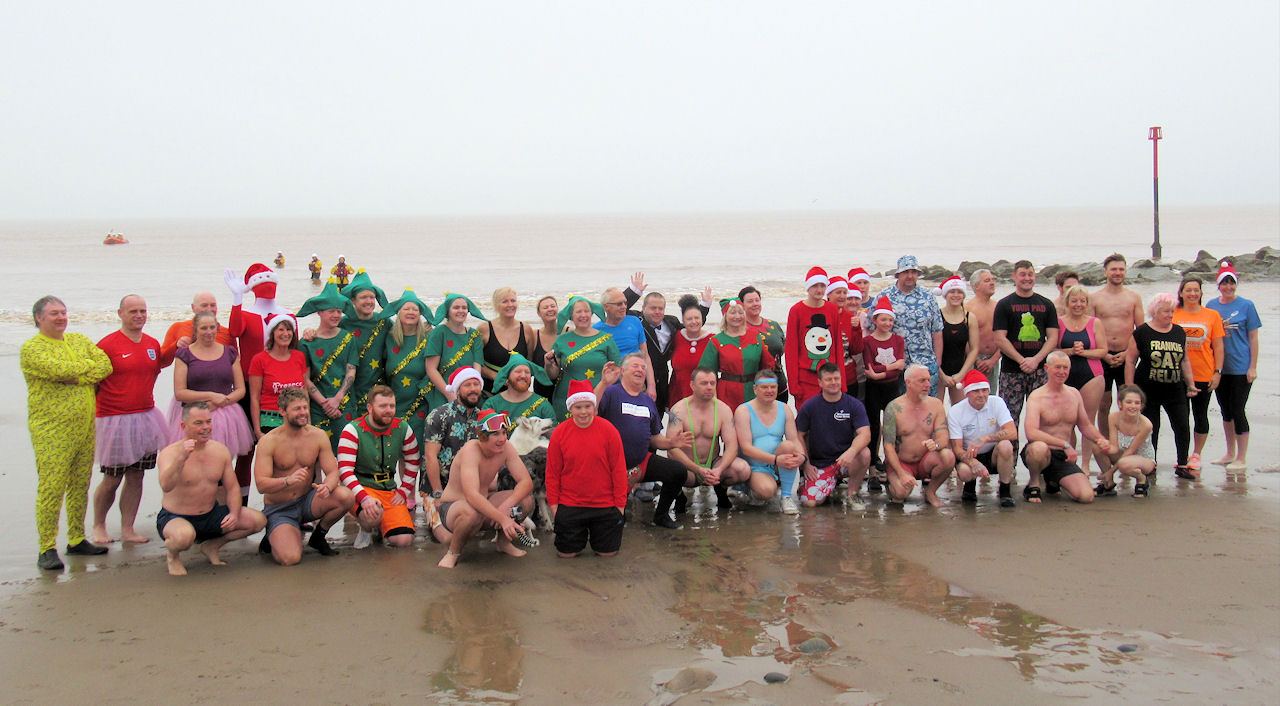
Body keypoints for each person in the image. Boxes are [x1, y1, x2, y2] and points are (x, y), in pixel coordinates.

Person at [22, 295, 114, 570]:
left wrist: (77, 377)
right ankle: (46, 547)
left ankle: (76, 538)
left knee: (79, 484)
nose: (61, 317)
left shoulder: (78, 340)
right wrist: (86, 372)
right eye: (54, 314)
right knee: (52, 486)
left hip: (85, 427)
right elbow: (58, 368)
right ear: (39, 318)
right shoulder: (33, 348)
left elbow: (105, 365)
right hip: (52, 429)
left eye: (63, 312)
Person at [91, 294, 173, 545]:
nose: (139, 316)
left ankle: (128, 528)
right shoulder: (107, 345)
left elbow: (158, 366)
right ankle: (98, 525)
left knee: (137, 476)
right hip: (114, 419)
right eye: (133, 311)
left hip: (145, 417)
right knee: (113, 477)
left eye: (143, 311)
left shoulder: (151, 344)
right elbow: (93, 383)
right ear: (120, 314)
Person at [156, 402, 267, 575]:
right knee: (183, 537)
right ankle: (173, 555)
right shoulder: (170, 453)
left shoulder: (220, 451)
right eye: (198, 423)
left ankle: (212, 546)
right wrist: (181, 458)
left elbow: (232, 489)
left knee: (258, 520)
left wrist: (234, 513)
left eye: (208, 421)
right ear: (184, 426)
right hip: (176, 517)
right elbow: (166, 485)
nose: (206, 427)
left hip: (210, 514)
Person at [254, 388, 354, 565]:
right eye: (297, 409)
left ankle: (318, 536)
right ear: (283, 411)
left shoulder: (318, 436)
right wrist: (287, 481)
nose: (303, 413)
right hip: (280, 508)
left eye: (305, 408)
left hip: (307, 501)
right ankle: (273, 534)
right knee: (290, 559)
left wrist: (327, 487)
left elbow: (332, 472)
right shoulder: (269, 441)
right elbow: (261, 485)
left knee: (345, 496)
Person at [595, 353, 694, 528]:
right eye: (635, 366)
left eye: (643, 367)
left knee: (678, 470)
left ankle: (661, 516)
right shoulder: (611, 392)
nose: (640, 370)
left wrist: (671, 443)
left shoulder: (647, 401)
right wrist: (603, 383)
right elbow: (590, 412)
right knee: (615, 522)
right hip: (612, 467)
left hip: (641, 463)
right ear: (622, 370)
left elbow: (654, 439)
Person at [169, 311, 255, 503]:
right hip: (195, 414)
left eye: (212, 327)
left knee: (220, 467)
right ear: (195, 330)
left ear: (217, 328)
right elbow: (180, 392)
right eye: (203, 328)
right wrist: (210, 397)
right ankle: (195, 506)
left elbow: (240, 389)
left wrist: (224, 400)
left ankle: (222, 509)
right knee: (196, 465)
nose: (208, 332)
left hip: (226, 416)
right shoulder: (184, 354)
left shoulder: (230, 353)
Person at [436, 409, 536, 567]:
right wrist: (502, 518)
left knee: (525, 501)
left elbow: (526, 482)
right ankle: (453, 552)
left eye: (504, 433)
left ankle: (503, 543)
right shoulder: (470, 450)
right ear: (482, 435)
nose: (502, 439)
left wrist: (506, 505)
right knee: (471, 512)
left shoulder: (506, 448)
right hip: (454, 508)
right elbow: (471, 496)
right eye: (495, 434)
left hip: (484, 504)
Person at [545, 380, 629, 558]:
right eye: (578, 407)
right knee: (566, 556)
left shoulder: (609, 431)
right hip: (570, 504)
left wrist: (620, 505)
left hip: (605, 505)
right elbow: (552, 473)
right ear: (570, 408)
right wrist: (554, 507)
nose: (583, 412)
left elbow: (619, 471)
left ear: (594, 406)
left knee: (607, 555)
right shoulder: (559, 433)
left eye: (587, 406)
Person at [336, 385, 422, 550]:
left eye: (392, 406)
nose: (388, 410)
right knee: (372, 513)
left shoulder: (403, 428)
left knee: (404, 540)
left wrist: (404, 490)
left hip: (389, 490)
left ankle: (382, 526)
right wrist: (364, 498)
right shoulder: (352, 430)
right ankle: (367, 528)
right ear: (369, 408)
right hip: (361, 489)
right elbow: (345, 471)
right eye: (382, 406)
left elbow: (413, 460)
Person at [1021, 352, 1112, 503]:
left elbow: (1085, 425)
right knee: (1038, 449)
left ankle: (1054, 481)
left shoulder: (1074, 394)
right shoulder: (1037, 397)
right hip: (1042, 452)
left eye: (1065, 368)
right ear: (1046, 368)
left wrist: (1100, 440)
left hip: (1063, 456)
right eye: (1057, 367)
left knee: (1086, 496)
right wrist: (1065, 444)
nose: (1061, 372)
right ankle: (1034, 483)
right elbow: (1031, 433)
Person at [1126, 293, 1197, 478]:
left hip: (1175, 389)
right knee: (1151, 428)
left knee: (1182, 425)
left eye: (1172, 311)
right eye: (1166, 311)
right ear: (1155, 312)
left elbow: (1185, 361)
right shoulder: (1142, 332)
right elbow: (1130, 361)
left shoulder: (1179, 332)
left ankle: (1182, 464)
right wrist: (1129, 388)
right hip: (1147, 389)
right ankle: (1151, 464)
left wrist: (1191, 384)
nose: (1170, 314)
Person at [993, 260, 1058, 458]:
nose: (1027, 278)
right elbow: (999, 337)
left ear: (1035, 277)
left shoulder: (1046, 304)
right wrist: (1022, 359)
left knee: (1042, 418)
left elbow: (1053, 337)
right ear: (1014, 277)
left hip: (1039, 370)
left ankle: (1040, 461)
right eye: (1023, 274)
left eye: (1030, 274)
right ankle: (1009, 463)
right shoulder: (1005, 305)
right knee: (1009, 418)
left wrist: (1036, 360)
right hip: (1011, 370)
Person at [666, 366, 753, 510]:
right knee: (670, 472)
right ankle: (679, 494)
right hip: (688, 468)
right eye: (704, 383)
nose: (709, 387)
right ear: (692, 385)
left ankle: (721, 491)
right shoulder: (678, 410)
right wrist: (697, 469)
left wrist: (719, 470)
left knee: (742, 469)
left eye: (712, 383)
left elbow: (732, 446)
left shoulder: (723, 409)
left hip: (712, 465)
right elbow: (671, 448)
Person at [623, 273, 714, 411]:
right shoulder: (636, 319)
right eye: (653, 308)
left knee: (659, 420)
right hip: (641, 377)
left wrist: (704, 306)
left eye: (661, 308)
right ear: (643, 309)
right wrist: (634, 291)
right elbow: (619, 309)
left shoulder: (671, 322)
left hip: (664, 379)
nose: (657, 312)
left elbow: (693, 326)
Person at [1205, 263, 1261, 472]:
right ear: (1218, 285)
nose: (1228, 287)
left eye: (1231, 283)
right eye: (1224, 283)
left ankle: (1242, 457)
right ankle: (1229, 453)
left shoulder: (1247, 306)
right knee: (1225, 410)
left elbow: (1253, 338)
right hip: (1219, 368)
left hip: (1240, 367)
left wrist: (1252, 367)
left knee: (1238, 410)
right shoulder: (1211, 305)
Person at [795, 362, 873, 507]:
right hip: (820, 463)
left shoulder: (854, 405)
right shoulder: (810, 406)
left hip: (845, 461)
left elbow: (865, 434)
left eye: (836, 379)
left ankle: (852, 493)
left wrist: (852, 451)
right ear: (820, 382)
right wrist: (806, 463)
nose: (833, 383)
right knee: (810, 504)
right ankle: (819, 486)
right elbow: (798, 435)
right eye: (829, 379)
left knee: (864, 453)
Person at [1171, 276, 1225, 475]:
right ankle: (1182, 456)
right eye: (1188, 290)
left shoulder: (1212, 315)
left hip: (1203, 372)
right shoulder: (1173, 313)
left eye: (1196, 290)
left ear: (1201, 293)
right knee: (1181, 418)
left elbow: (1218, 346)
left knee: (1200, 415)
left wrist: (1217, 372)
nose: (1192, 293)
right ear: (1181, 292)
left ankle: (1196, 454)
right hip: (1177, 375)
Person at [880, 365, 954, 506]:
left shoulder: (936, 405)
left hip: (925, 461)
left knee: (948, 457)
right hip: (902, 462)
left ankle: (931, 492)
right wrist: (901, 473)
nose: (927, 384)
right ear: (908, 382)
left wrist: (936, 444)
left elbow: (944, 436)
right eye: (922, 381)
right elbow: (888, 447)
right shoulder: (894, 408)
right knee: (900, 494)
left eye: (928, 380)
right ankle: (892, 484)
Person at [1091, 254, 1145, 446]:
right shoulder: (1095, 298)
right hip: (1102, 356)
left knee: (1128, 403)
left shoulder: (1133, 297)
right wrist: (1103, 354)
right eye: (1114, 269)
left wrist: (1128, 354)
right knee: (1104, 404)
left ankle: (1126, 441)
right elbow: (1090, 330)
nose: (1118, 273)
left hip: (1127, 356)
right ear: (1105, 272)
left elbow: (1141, 330)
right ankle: (1106, 442)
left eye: (1121, 269)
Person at [297, 281, 357, 452]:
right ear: (320, 312)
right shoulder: (306, 343)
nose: (336, 315)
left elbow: (351, 371)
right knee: (316, 454)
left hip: (344, 404)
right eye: (331, 311)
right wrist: (325, 403)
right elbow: (304, 378)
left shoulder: (348, 338)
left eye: (339, 311)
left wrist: (337, 399)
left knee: (347, 454)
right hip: (317, 407)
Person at [735, 371, 806, 514]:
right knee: (766, 492)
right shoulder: (743, 411)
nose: (769, 391)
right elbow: (746, 448)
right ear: (755, 389)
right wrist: (775, 459)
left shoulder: (784, 409)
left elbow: (794, 439)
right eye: (764, 387)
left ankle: (786, 497)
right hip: (755, 465)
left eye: (773, 387)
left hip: (776, 462)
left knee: (789, 446)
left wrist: (802, 456)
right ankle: (748, 486)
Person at [947, 370, 1017, 507]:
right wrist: (973, 463)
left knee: (1006, 446)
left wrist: (984, 438)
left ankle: (1005, 490)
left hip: (992, 454)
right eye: (976, 391)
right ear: (967, 393)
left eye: (985, 390)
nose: (981, 395)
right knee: (966, 472)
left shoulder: (997, 402)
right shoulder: (956, 411)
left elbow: (1012, 432)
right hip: (969, 454)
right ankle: (969, 488)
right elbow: (957, 448)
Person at [1056, 285, 1107, 473]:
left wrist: (1083, 352)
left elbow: (1103, 350)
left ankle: (1085, 465)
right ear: (1067, 302)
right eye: (1074, 301)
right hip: (1064, 376)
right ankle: (1070, 463)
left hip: (1091, 375)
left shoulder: (1095, 323)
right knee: (1067, 422)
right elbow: (1051, 349)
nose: (1078, 305)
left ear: (1087, 304)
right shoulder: (1059, 322)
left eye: (1082, 301)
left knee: (1087, 421)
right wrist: (1069, 351)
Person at [545, 296, 622, 420]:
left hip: (601, 397)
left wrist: (602, 389)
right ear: (571, 316)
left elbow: (617, 370)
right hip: (567, 400)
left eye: (586, 311)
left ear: (591, 313)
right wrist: (548, 365)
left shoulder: (606, 339)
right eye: (578, 312)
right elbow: (553, 375)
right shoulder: (562, 340)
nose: (583, 315)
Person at [877, 255, 943, 395]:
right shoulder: (885, 295)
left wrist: (937, 363)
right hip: (896, 366)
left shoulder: (928, 296)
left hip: (925, 364)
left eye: (913, 272)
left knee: (927, 410)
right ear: (898, 274)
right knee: (901, 411)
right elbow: (872, 326)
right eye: (906, 272)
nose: (910, 276)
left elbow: (937, 331)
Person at [699, 298, 776, 411]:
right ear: (725, 316)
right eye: (732, 312)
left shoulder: (755, 337)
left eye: (741, 312)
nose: (737, 316)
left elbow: (767, 367)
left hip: (753, 392)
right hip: (726, 394)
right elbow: (706, 372)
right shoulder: (716, 341)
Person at [420, 368, 486, 499]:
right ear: (457, 390)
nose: (473, 389)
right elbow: (430, 456)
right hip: (438, 490)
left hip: (471, 490)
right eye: (467, 385)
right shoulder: (439, 415)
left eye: (476, 384)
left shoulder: (483, 419)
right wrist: (438, 493)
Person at [785, 267, 845, 409]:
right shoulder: (796, 311)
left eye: (822, 286)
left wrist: (841, 380)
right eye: (815, 286)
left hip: (830, 378)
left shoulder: (831, 309)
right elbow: (791, 350)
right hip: (806, 379)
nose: (819, 290)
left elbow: (837, 347)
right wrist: (793, 384)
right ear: (808, 287)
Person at [862, 297, 906, 483]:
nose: (887, 323)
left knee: (892, 428)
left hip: (892, 388)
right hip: (873, 389)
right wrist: (891, 367)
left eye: (890, 320)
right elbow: (869, 368)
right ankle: (872, 467)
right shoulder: (868, 341)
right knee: (873, 426)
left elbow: (902, 365)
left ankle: (892, 466)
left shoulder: (898, 340)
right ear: (875, 321)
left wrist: (881, 373)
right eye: (883, 320)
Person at [383, 289, 435, 443]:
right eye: (406, 309)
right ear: (398, 312)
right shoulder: (388, 336)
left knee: (418, 452)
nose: (411, 312)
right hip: (394, 403)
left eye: (415, 309)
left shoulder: (430, 336)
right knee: (395, 450)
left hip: (421, 403)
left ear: (420, 314)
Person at [337, 270, 391, 412]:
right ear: (353, 300)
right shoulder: (343, 323)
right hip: (348, 386)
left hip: (376, 386)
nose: (369, 301)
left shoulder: (384, 322)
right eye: (363, 297)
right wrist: (309, 332)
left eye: (372, 297)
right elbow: (325, 334)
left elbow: (405, 334)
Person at [424, 293, 486, 411]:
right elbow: (431, 369)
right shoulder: (439, 332)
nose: (461, 311)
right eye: (456, 308)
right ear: (448, 311)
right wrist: (450, 395)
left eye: (464, 308)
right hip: (443, 391)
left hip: (469, 393)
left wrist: (473, 391)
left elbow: (477, 370)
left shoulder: (474, 335)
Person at [248, 315, 307, 439]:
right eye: (281, 330)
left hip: (298, 419)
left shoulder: (300, 357)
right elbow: (254, 398)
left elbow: (305, 393)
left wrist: (308, 424)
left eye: (289, 330)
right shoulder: (259, 360)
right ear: (272, 333)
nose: (285, 334)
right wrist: (258, 431)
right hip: (270, 420)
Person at [1094, 385, 1156, 498]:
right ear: (1120, 404)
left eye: (1137, 403)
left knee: (1123, 464)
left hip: (1144, 459)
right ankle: (1109, 484)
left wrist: (1111, 472)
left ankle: (1142, 479)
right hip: (1123, 454)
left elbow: (1131, 451)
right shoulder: (1113, 417)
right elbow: (1114, 447)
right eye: (1129, 402)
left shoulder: (1146, 425)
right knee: (1097, 446)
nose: (1133, 406)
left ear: (1141, 406)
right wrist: (1104, 445)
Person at [596, 287, 656, 398]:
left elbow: (645, 356)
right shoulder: (596, 330)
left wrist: (651, 386)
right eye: (619, 304)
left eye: (625, 303)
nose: (624, 307)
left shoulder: (634, 322)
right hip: (609, 389)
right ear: (606, 307)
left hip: (636, 386)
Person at [479, 287, 537, 394]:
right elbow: (477, 363)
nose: (510, 305)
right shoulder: (484, 329)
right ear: (496, 305)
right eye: (504, 301)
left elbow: (529, 362)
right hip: (489, 392)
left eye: (513, 301)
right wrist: (497, 376)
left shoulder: (526, 329)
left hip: (518, 392)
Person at [740, 285, 788, 403]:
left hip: (779, 386)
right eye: (750, 301)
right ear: (742, 305)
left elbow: (784, 349)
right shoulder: (739, 329)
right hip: (754, 390)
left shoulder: (774, 325)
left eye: (757, 300)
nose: (755, 304)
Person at [936, 275, 979, 404]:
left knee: (961, 411)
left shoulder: (969, 318)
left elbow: (974, 349)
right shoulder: (937, 315)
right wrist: (941, 374)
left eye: (959, 292)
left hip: (960, 371)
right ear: (945, 295)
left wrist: (961, 374)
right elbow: (930, 348)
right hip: (939, 371)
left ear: (964, 295)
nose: (956, 295)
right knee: (936, 411)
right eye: (952, 292)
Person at [666, 294, 714, 407]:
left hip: (704, 399)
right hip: (677, 397)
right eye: (689, 319)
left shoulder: (712, 340)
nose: (693, 322)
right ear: (683, 320)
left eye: (697, 318)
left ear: (702, 319)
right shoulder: (676, 337)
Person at [160, 291, 234, 362]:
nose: (209, 309)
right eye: (204, 305)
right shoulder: (178, 327)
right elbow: (162, 361)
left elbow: (235, 363)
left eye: (213, 305)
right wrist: (175, 346)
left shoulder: (227, 333)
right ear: (193, 307)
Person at [483, 353, 556, 421]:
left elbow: (553, 433)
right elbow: (483, 433)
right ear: (507, 377)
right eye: (518, 371)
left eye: (527, 372)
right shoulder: (492, 405)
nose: (523, 376)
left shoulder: (543, 405)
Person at [965, 269, 1002, 396]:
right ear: (976, 286)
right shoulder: (967, 308)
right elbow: (963, 338)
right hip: (972, 360)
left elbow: (1005, 336)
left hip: (993, 360)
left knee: (990, 397)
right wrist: (977, 360)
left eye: (993, 280)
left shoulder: (999, 307)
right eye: (987, 281)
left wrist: (994, 360)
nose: (992, 283)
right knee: (971, 396)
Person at [530, 295, 560, 401]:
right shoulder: (533, 335)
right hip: (541, 392)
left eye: (553, 306)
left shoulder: (569, 333)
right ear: (539, 313)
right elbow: (528, 364)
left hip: (565, 390)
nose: (550, 309)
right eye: (545, 307)